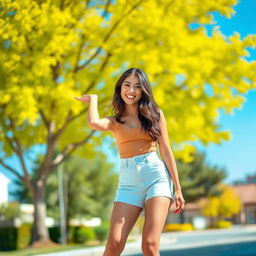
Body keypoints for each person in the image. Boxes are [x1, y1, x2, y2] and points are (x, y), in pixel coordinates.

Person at [74, 67, 185, 256]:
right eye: (127, 85)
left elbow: (166, 150)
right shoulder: (115, 121)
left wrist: (178, 188)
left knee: (149, 245)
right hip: (128, 182)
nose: (131, 91)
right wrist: (93, 100)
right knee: (114, 244)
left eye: (137, 86)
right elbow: (93, 123)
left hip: (155, 176)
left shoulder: (155, 114)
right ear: (120, 88)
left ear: (143, 90)